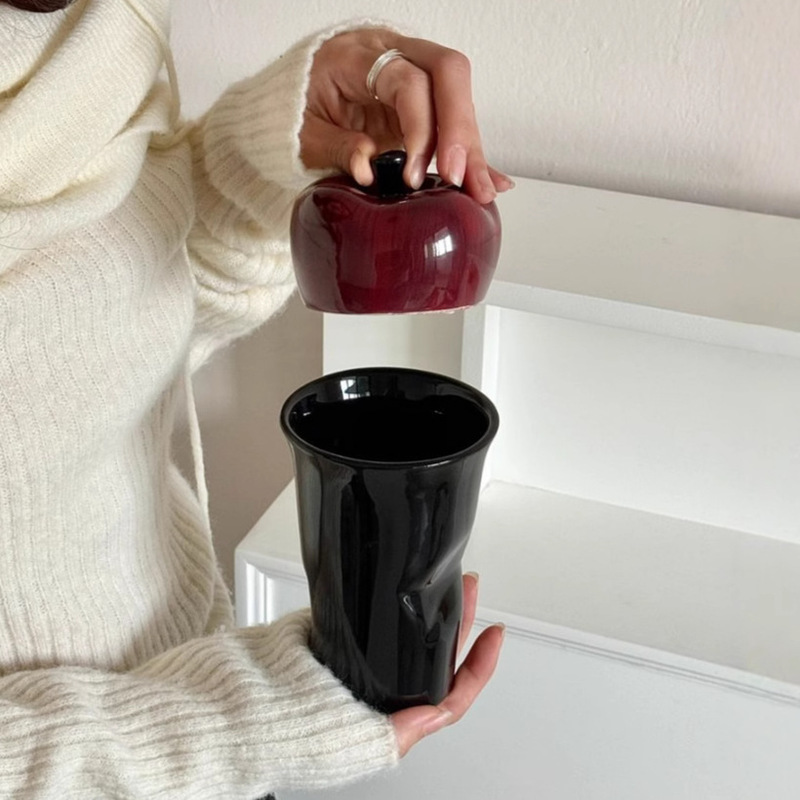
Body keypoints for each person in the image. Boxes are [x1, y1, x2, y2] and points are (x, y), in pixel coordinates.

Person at [0, 0, 512, 796]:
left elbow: (88, 329)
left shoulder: (104, 22)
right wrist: (232, 723)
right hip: (200, 740)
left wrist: (262, 155)